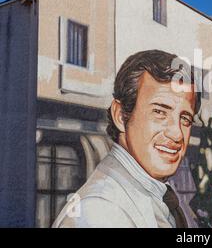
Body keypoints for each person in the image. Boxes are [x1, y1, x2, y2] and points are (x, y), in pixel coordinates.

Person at [53, 49, 200, 228]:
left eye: (185, 119)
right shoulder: (100, 211)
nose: (177, 134)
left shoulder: (154, 194)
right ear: (121, 116)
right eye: (159, 112)